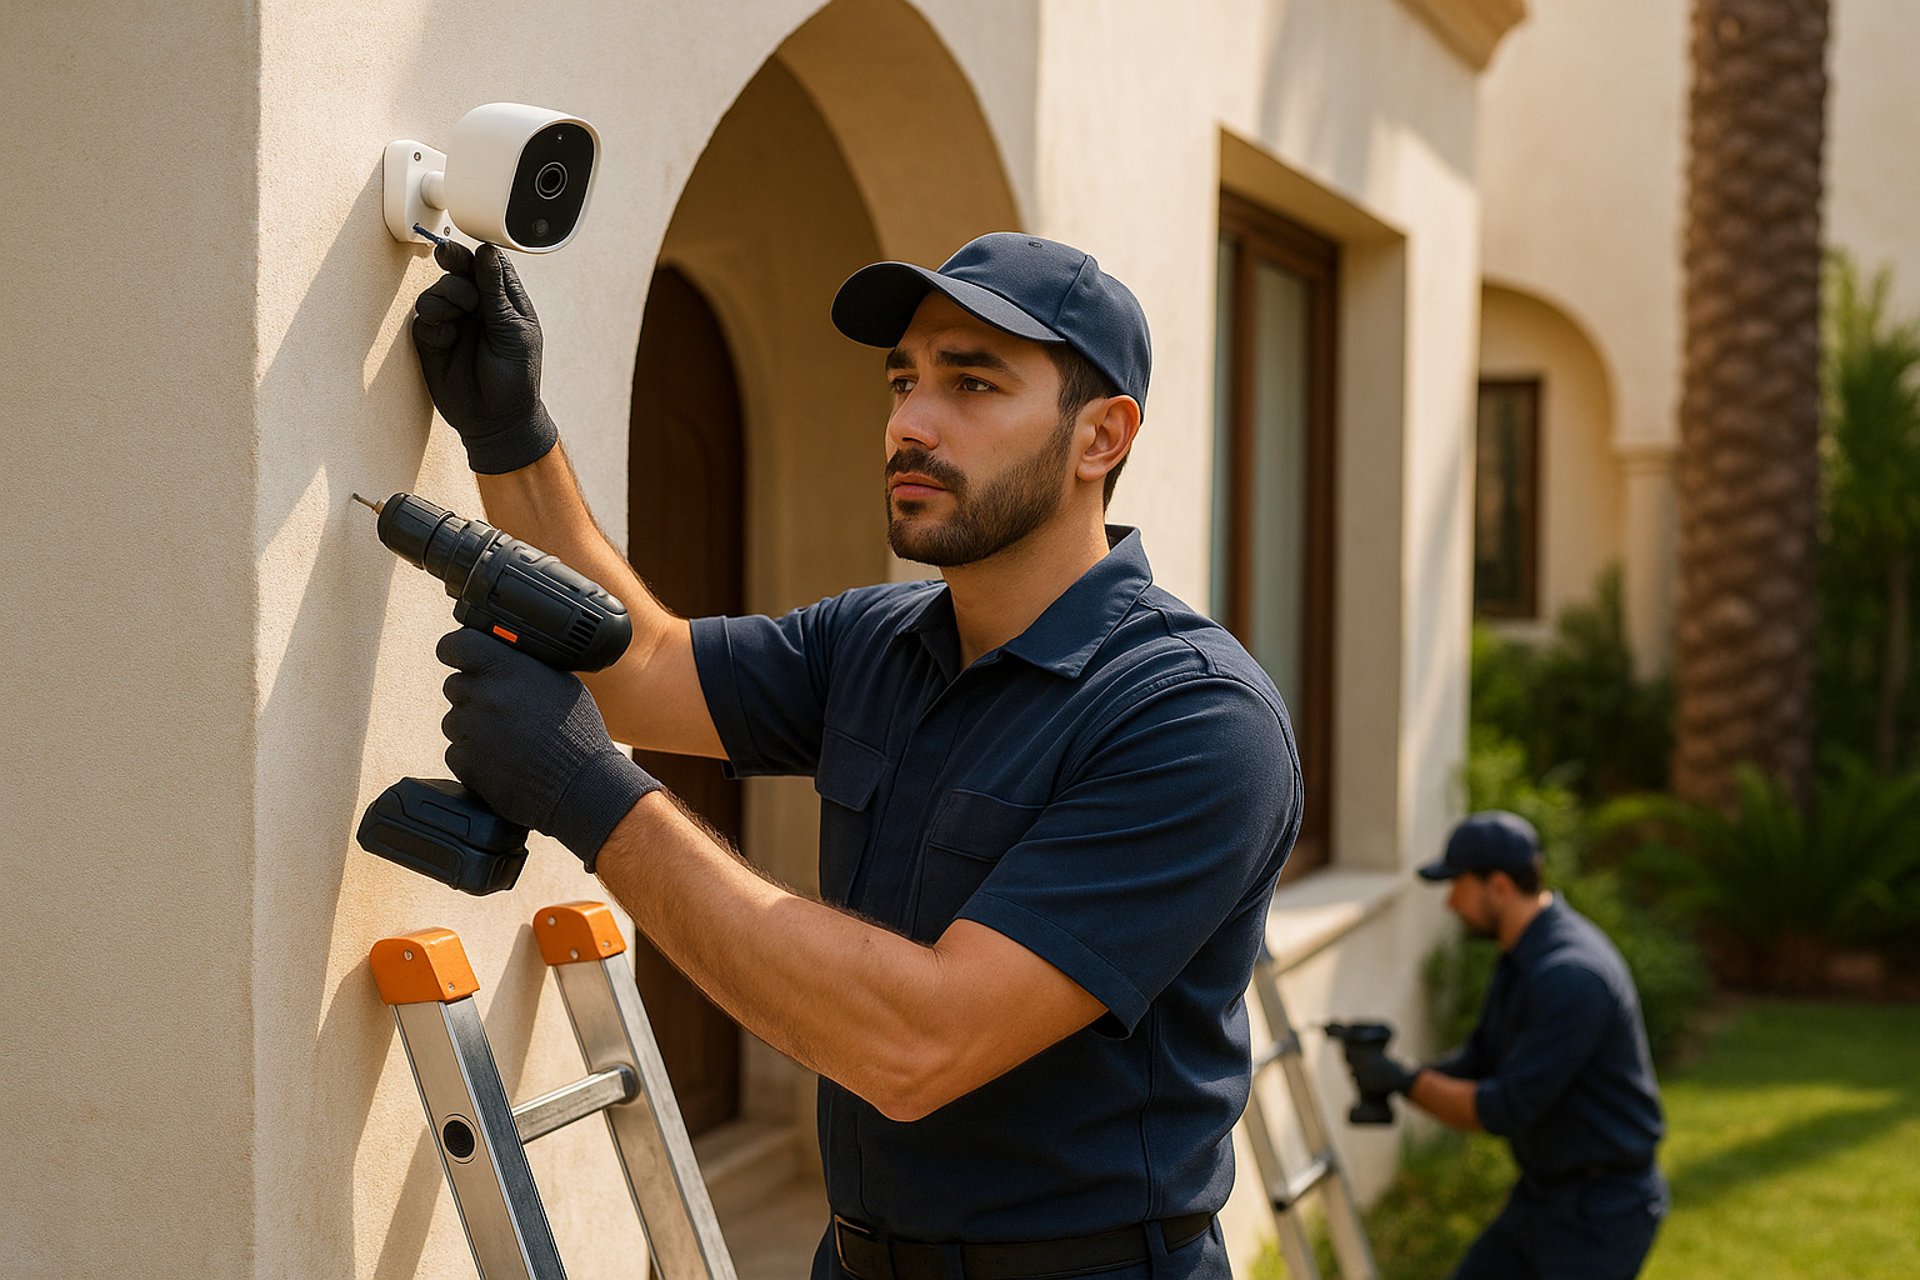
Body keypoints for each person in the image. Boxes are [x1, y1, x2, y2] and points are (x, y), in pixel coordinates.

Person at [407, 232, 1303, 1280]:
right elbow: (644, 664)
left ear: (1100, 436)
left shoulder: (1190, 717)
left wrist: (586, 791)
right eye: (903, 380)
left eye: (971, 382)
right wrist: (514, 437)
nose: (909, 424)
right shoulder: (879, 641)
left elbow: (920, 1044)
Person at [1343, 811, 1667, 1280]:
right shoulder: (1522, 956)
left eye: (1457, 885)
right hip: (1544, 1195)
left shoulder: (1571, 976)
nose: (1451, 903)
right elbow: (1480, 1061)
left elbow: (1500, 1108)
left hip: (1602, 1211)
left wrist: (1404, 1081)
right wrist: (1395, 1072)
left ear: (1497, 886)